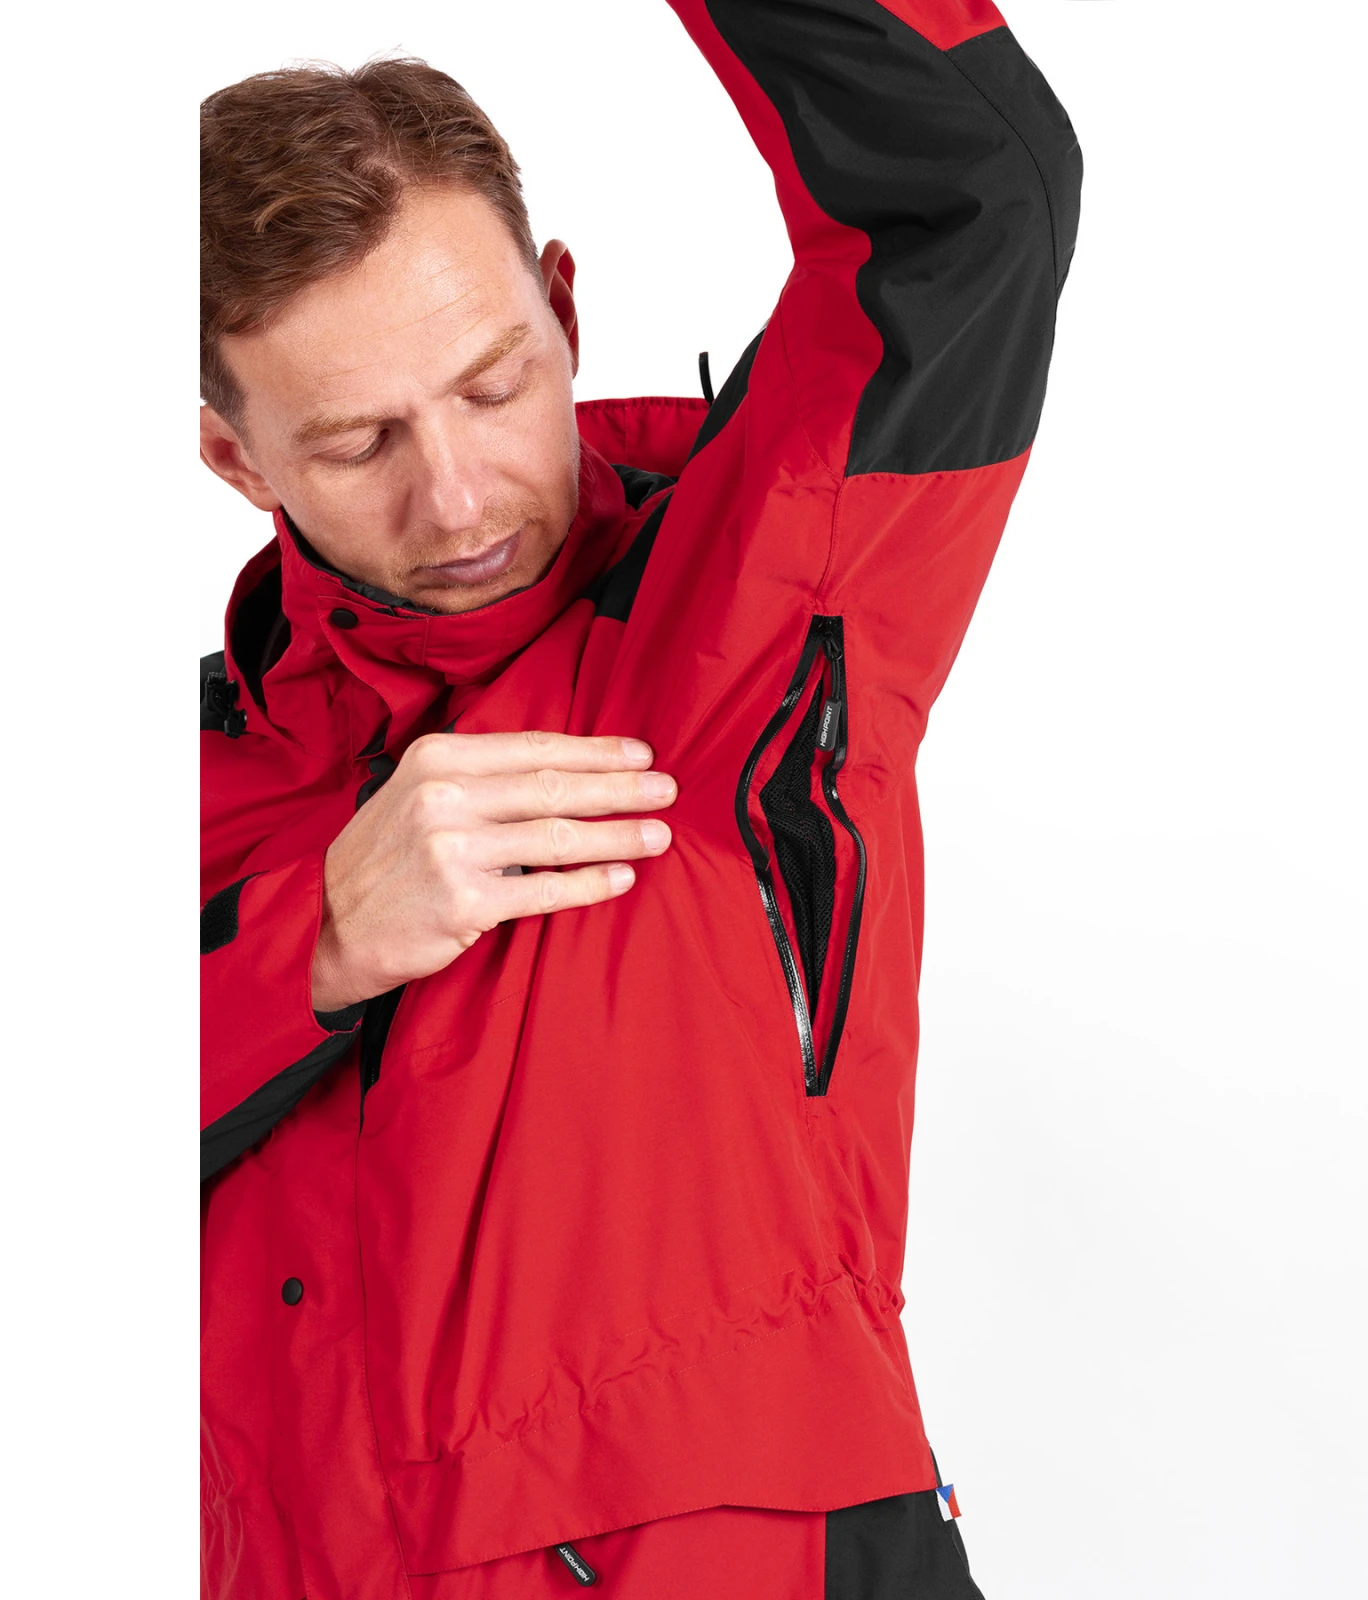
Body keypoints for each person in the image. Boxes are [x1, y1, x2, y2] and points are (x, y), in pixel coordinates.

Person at [199, 3, 1082, 1595]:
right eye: (356, 443)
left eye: (491, 387)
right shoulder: (159, 788)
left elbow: (969, 198)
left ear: (563, 308)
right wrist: (305, 948)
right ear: (237, 459)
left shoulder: (755, 617)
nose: (455, 497)